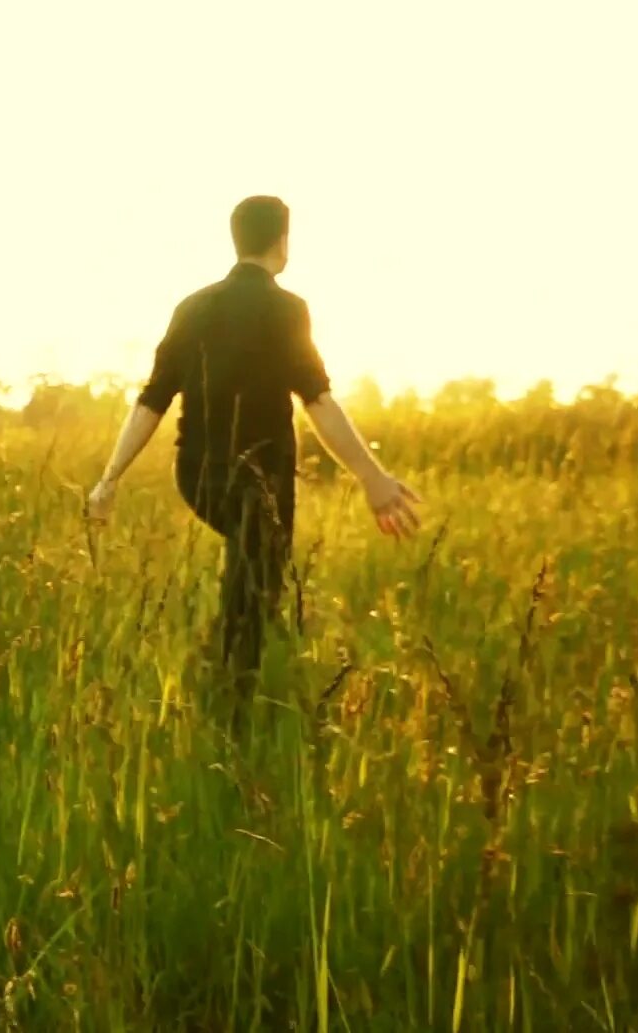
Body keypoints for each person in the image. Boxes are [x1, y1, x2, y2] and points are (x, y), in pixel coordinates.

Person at [85, 195, 420, 713]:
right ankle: (233, 703)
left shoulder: (191, 306)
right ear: (282, 241)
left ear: (236, 238)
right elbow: (318, 400)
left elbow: (151, 400)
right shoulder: (287, 309)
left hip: (196, 476)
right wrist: (372, 478)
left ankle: (222, 679)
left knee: (249, 577)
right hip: (262, 479)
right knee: (257, 590)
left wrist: (109, 479)